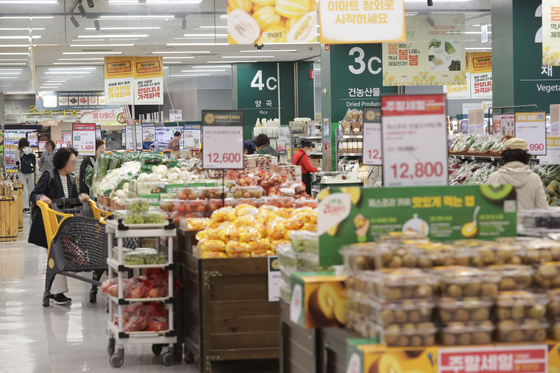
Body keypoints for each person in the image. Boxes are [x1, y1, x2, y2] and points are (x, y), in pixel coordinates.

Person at [29, 147, 90, 305]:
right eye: (72, 162)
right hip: (51, 225)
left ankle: (54, 291)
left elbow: (74, 198)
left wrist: (81, 197)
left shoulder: (70, 179)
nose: (75, 165)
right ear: (63, 162)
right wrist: (42, 197)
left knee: (59, 255)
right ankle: (57, 292)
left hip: (64, 224)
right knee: (57, 254)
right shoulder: (49, 176)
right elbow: (34, 194)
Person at [487, 138, 548, 211]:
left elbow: (488, 208)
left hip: (503, 222)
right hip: (527, 222)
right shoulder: (534, 178)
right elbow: (543, 209)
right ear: (525, 156)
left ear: (504, 156)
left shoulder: (494, 177)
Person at [14, 138, 39, 213]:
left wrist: (16, 152)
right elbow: (36, 163)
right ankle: (33, 205)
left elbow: (14, 159)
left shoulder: (19, 152)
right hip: (31, 172)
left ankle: (26, 208)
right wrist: (37, 173)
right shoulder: (32, 151)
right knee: (31, 189)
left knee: (24, 190)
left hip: (22, 173)